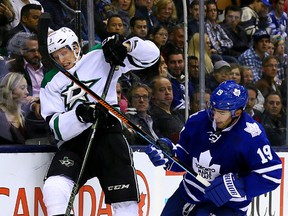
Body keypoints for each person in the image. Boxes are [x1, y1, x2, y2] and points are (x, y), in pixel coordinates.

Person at [40, 27, 160, 216]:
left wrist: (127, 47)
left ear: (76, 47)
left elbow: (152, 55)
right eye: (56, 57)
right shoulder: (50, 81)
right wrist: (80, 115)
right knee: (54, 188)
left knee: (125, 203)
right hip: (74, 144)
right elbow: (56, 127)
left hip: (108, 138)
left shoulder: (99, 56)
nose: (62, 60)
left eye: (64, 52)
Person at [145, 80, 282, 215]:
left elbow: (271, 176)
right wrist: (167, 156)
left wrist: (237, 185)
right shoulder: (197, 121)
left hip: (227, 205)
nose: (215, 117)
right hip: (189, 195)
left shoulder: (252, 135)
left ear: (238, 113)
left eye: (222, 113)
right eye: (214, 109)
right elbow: (183, 159)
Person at [149, 76, 185, 143]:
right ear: (153, 94)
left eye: (169, 89)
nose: (167, 92)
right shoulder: (154, 115)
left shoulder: (177, 113)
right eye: (162, 90)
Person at [0, 72, 31, 144]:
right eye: (22, 88)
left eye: (26, 88)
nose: (27, 92)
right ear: (10, 90)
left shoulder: (22, 116)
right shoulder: (1, 116)